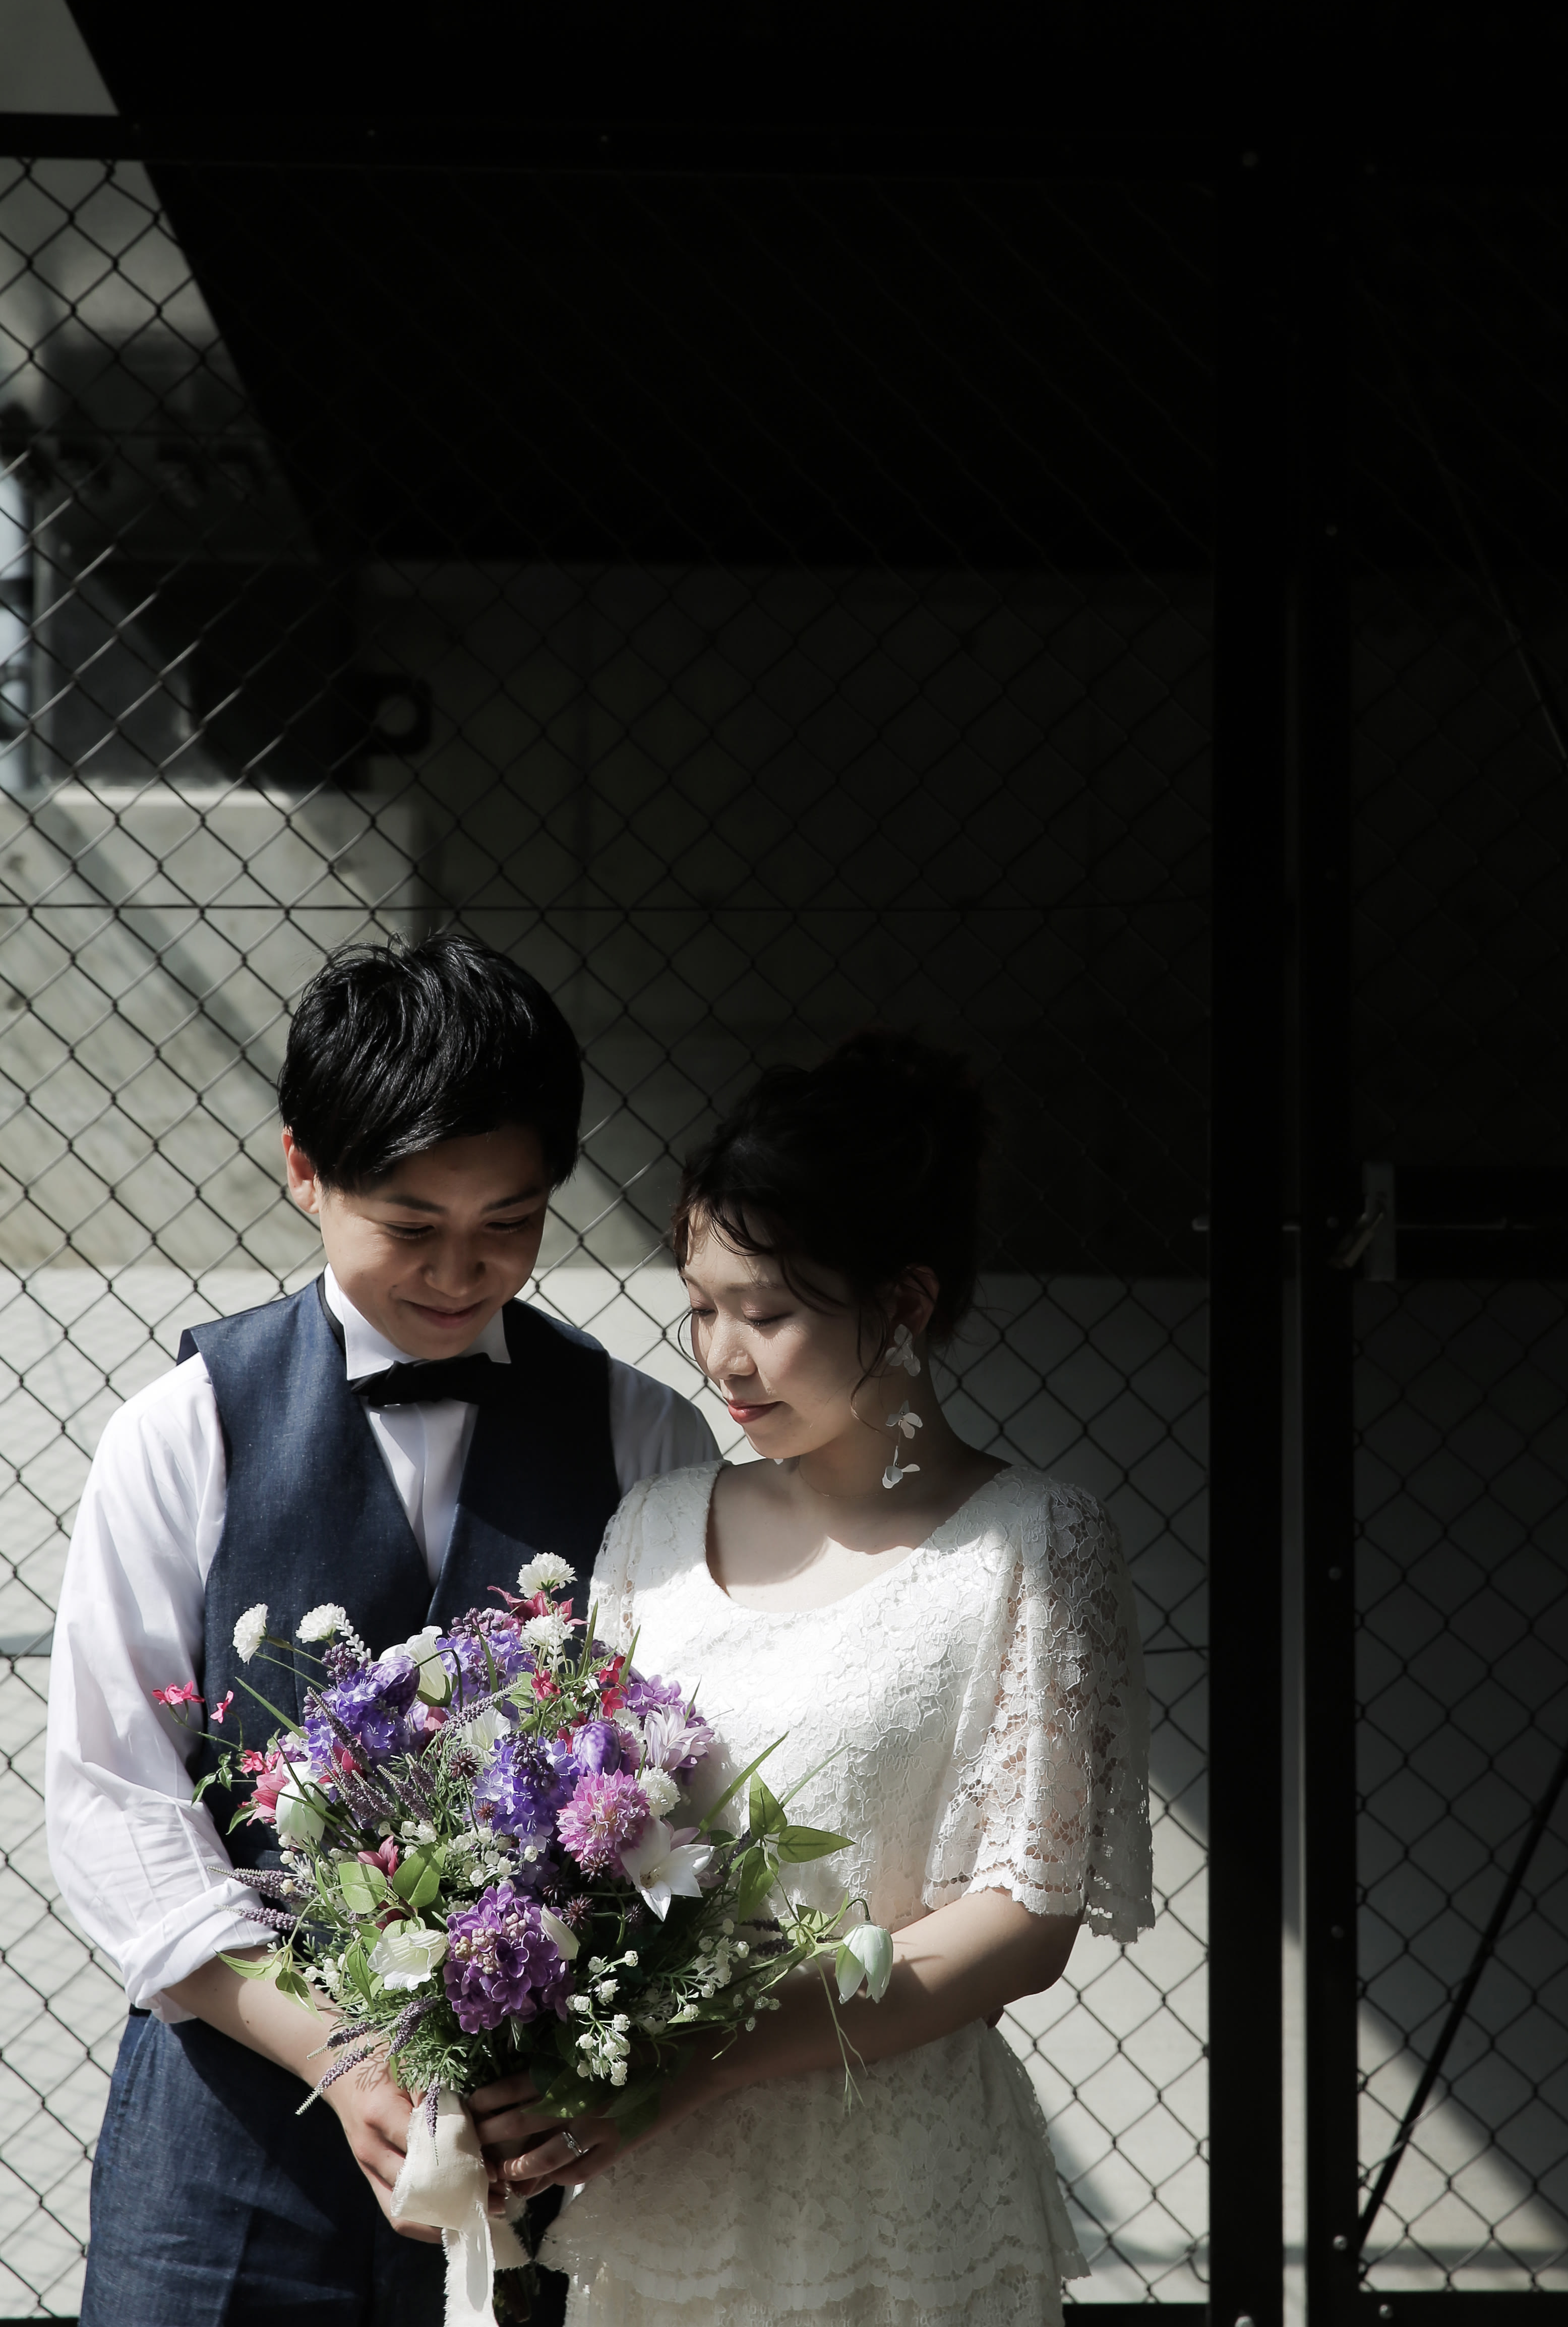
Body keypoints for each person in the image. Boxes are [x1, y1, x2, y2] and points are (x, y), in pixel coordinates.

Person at [48, 933, 717, 2327]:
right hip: (230, 2115)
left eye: (510, 1223)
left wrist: (616, 2059)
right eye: (410, 1226)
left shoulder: (646, 1435)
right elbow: (115, 1791)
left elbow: (699, 1774)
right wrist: (336, 2051)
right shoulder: (180, 1433)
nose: (460, 1271)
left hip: (539, 2136)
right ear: (305, 1168)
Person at [469, 1029, 1154, 2327]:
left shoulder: (1033, 1548)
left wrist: (700, 2055)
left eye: (769, 1314)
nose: (723, 1357)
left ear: (905, 1302)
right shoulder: (655, 1529)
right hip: (666, 2186)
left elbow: (1024, 1920)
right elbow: (575, 1848)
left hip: (898, 2187)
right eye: (702, 1307)